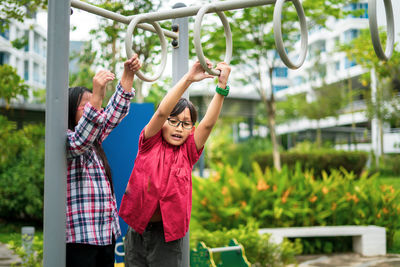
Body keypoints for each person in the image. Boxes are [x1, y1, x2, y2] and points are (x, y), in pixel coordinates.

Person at [119, 60, 231, 266]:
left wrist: (222, 87)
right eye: (174, 121)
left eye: (186, 124)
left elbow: (207, 124)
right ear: (164, 124)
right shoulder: (149, 142)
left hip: (166, 237)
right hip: (138, 229)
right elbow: (162, 111)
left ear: (191, 129)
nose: (179, 128)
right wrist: (188, 78)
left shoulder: (188, 151)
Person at [66, 54, 141, 267]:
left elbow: (114, 113)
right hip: (80, 239)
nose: (96, 108)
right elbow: (81, 140)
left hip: (105, 235)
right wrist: (97, 94)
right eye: (87, 105)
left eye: (95, 104)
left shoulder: (95, 140)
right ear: (71, 110)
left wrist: (128, 74)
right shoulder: (66, 140)